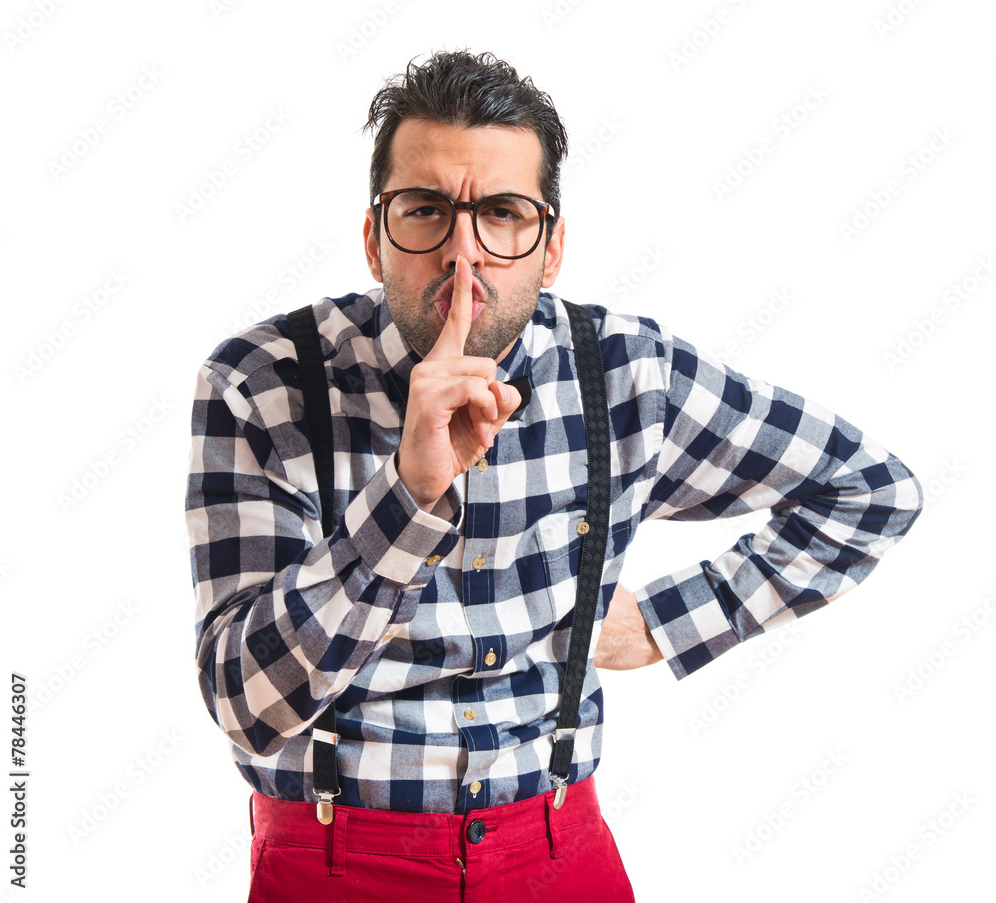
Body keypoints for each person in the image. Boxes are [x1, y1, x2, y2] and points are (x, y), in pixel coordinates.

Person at [185, 50, 923, 901]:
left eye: (502, 213)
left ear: (553, 246)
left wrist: (665, 623)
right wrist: (408, 497)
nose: (463, 254)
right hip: (336, 859)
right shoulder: (261, 382)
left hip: (556, 850)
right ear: (373, 237)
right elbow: (246, 705)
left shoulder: (625, 374)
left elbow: (871, 490)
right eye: (425, 210)